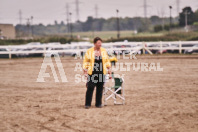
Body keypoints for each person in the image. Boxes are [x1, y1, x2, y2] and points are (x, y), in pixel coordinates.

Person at [83, 37, 111, 109]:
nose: (100, 44)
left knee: (100, 88)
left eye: (101, 43)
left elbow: (107, 60)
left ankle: (98, 103)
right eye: (98, 43)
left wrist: (109, 69)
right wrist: (85, 70)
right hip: (92, 72)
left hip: (102, 72)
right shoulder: (89, 51)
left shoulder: (103, 51)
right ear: (95, 43)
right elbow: (86, 61)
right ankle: (87, 104)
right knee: (90, 87)